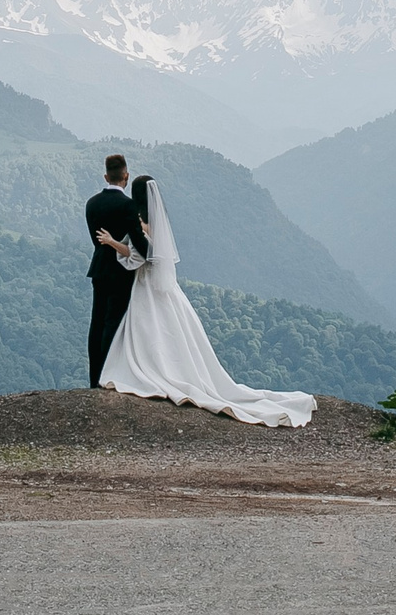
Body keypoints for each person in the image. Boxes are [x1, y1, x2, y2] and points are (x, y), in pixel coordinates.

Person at [94, 169, 315, 428]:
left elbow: (141, 255)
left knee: (146, 326)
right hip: (159, 285)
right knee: (170, 329)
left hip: (145, 284)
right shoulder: (158, 220)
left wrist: (111, 242)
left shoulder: (141, 223)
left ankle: (154, 371)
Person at [84, 153, 149, 389]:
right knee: (113, 324)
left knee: (97, 323)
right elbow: (139, 244)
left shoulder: (91, 203)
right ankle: (108, 376)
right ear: (126, 176)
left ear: (105, 176)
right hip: (121, 272)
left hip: (99, 270)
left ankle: (94, 378)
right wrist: (154, 257)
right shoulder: (128, 206)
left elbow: (96, 240)